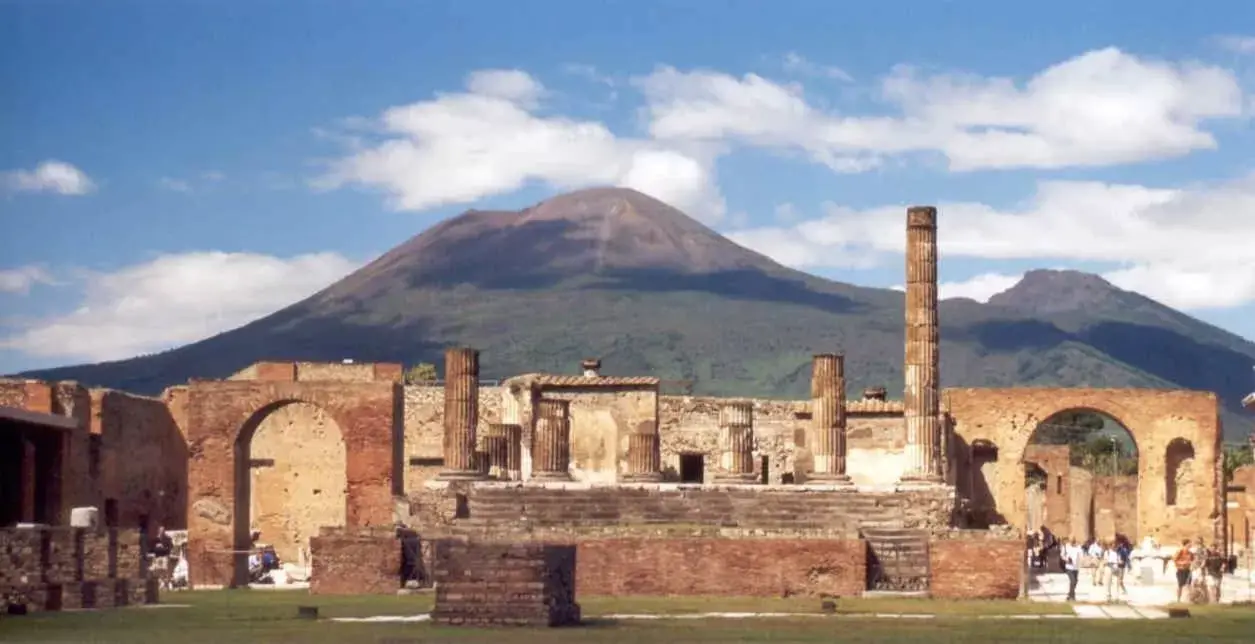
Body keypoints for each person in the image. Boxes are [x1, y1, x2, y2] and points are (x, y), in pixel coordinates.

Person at [1173, 539, 1194, 603]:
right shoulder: (1180, 551)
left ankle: (1187, 599)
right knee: (1180, 585)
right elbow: (1174, 559)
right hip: (1181, 570)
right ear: (1186, 544)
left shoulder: (1190, 553)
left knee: (1188, 585)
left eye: (1191, 543)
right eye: (1189, 543)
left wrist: (1192, 564)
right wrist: (1182, 563)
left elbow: (1193, 560)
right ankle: (1178, 600)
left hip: (1188, 570)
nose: (1191, 545)